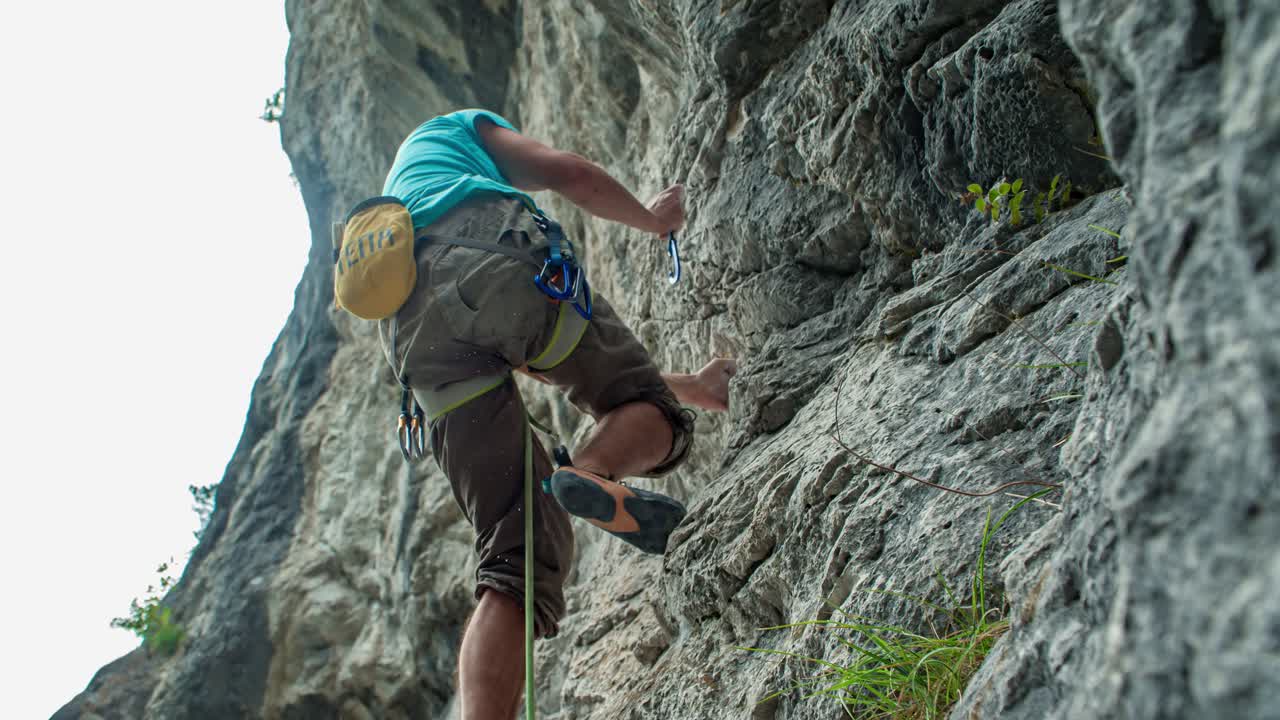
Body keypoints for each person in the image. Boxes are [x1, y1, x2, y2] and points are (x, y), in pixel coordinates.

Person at [376, 109, 736, 720]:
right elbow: (569, 173)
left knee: (511, 563)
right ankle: (595, 469)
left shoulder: (399, 216)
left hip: (414, 341)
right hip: (490, 252)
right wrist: (655, 219)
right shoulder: (454, 130)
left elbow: (534, 357)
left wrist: (691, 384)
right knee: (654, 414)